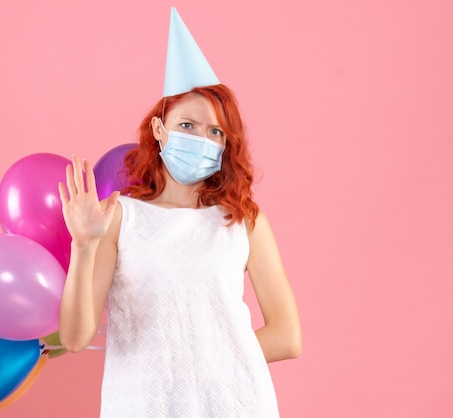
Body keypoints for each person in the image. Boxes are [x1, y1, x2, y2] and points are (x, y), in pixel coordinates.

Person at [58, 7, 301, 417]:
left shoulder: (243, 222)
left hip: (234, 404)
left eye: (215, 132)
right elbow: (75, 336)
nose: (201, 139)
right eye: (187, 125)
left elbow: (286, 337)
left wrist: (200, 365)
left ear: (226, 145)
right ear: (159, 129)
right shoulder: (119, 218)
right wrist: (83, 245)